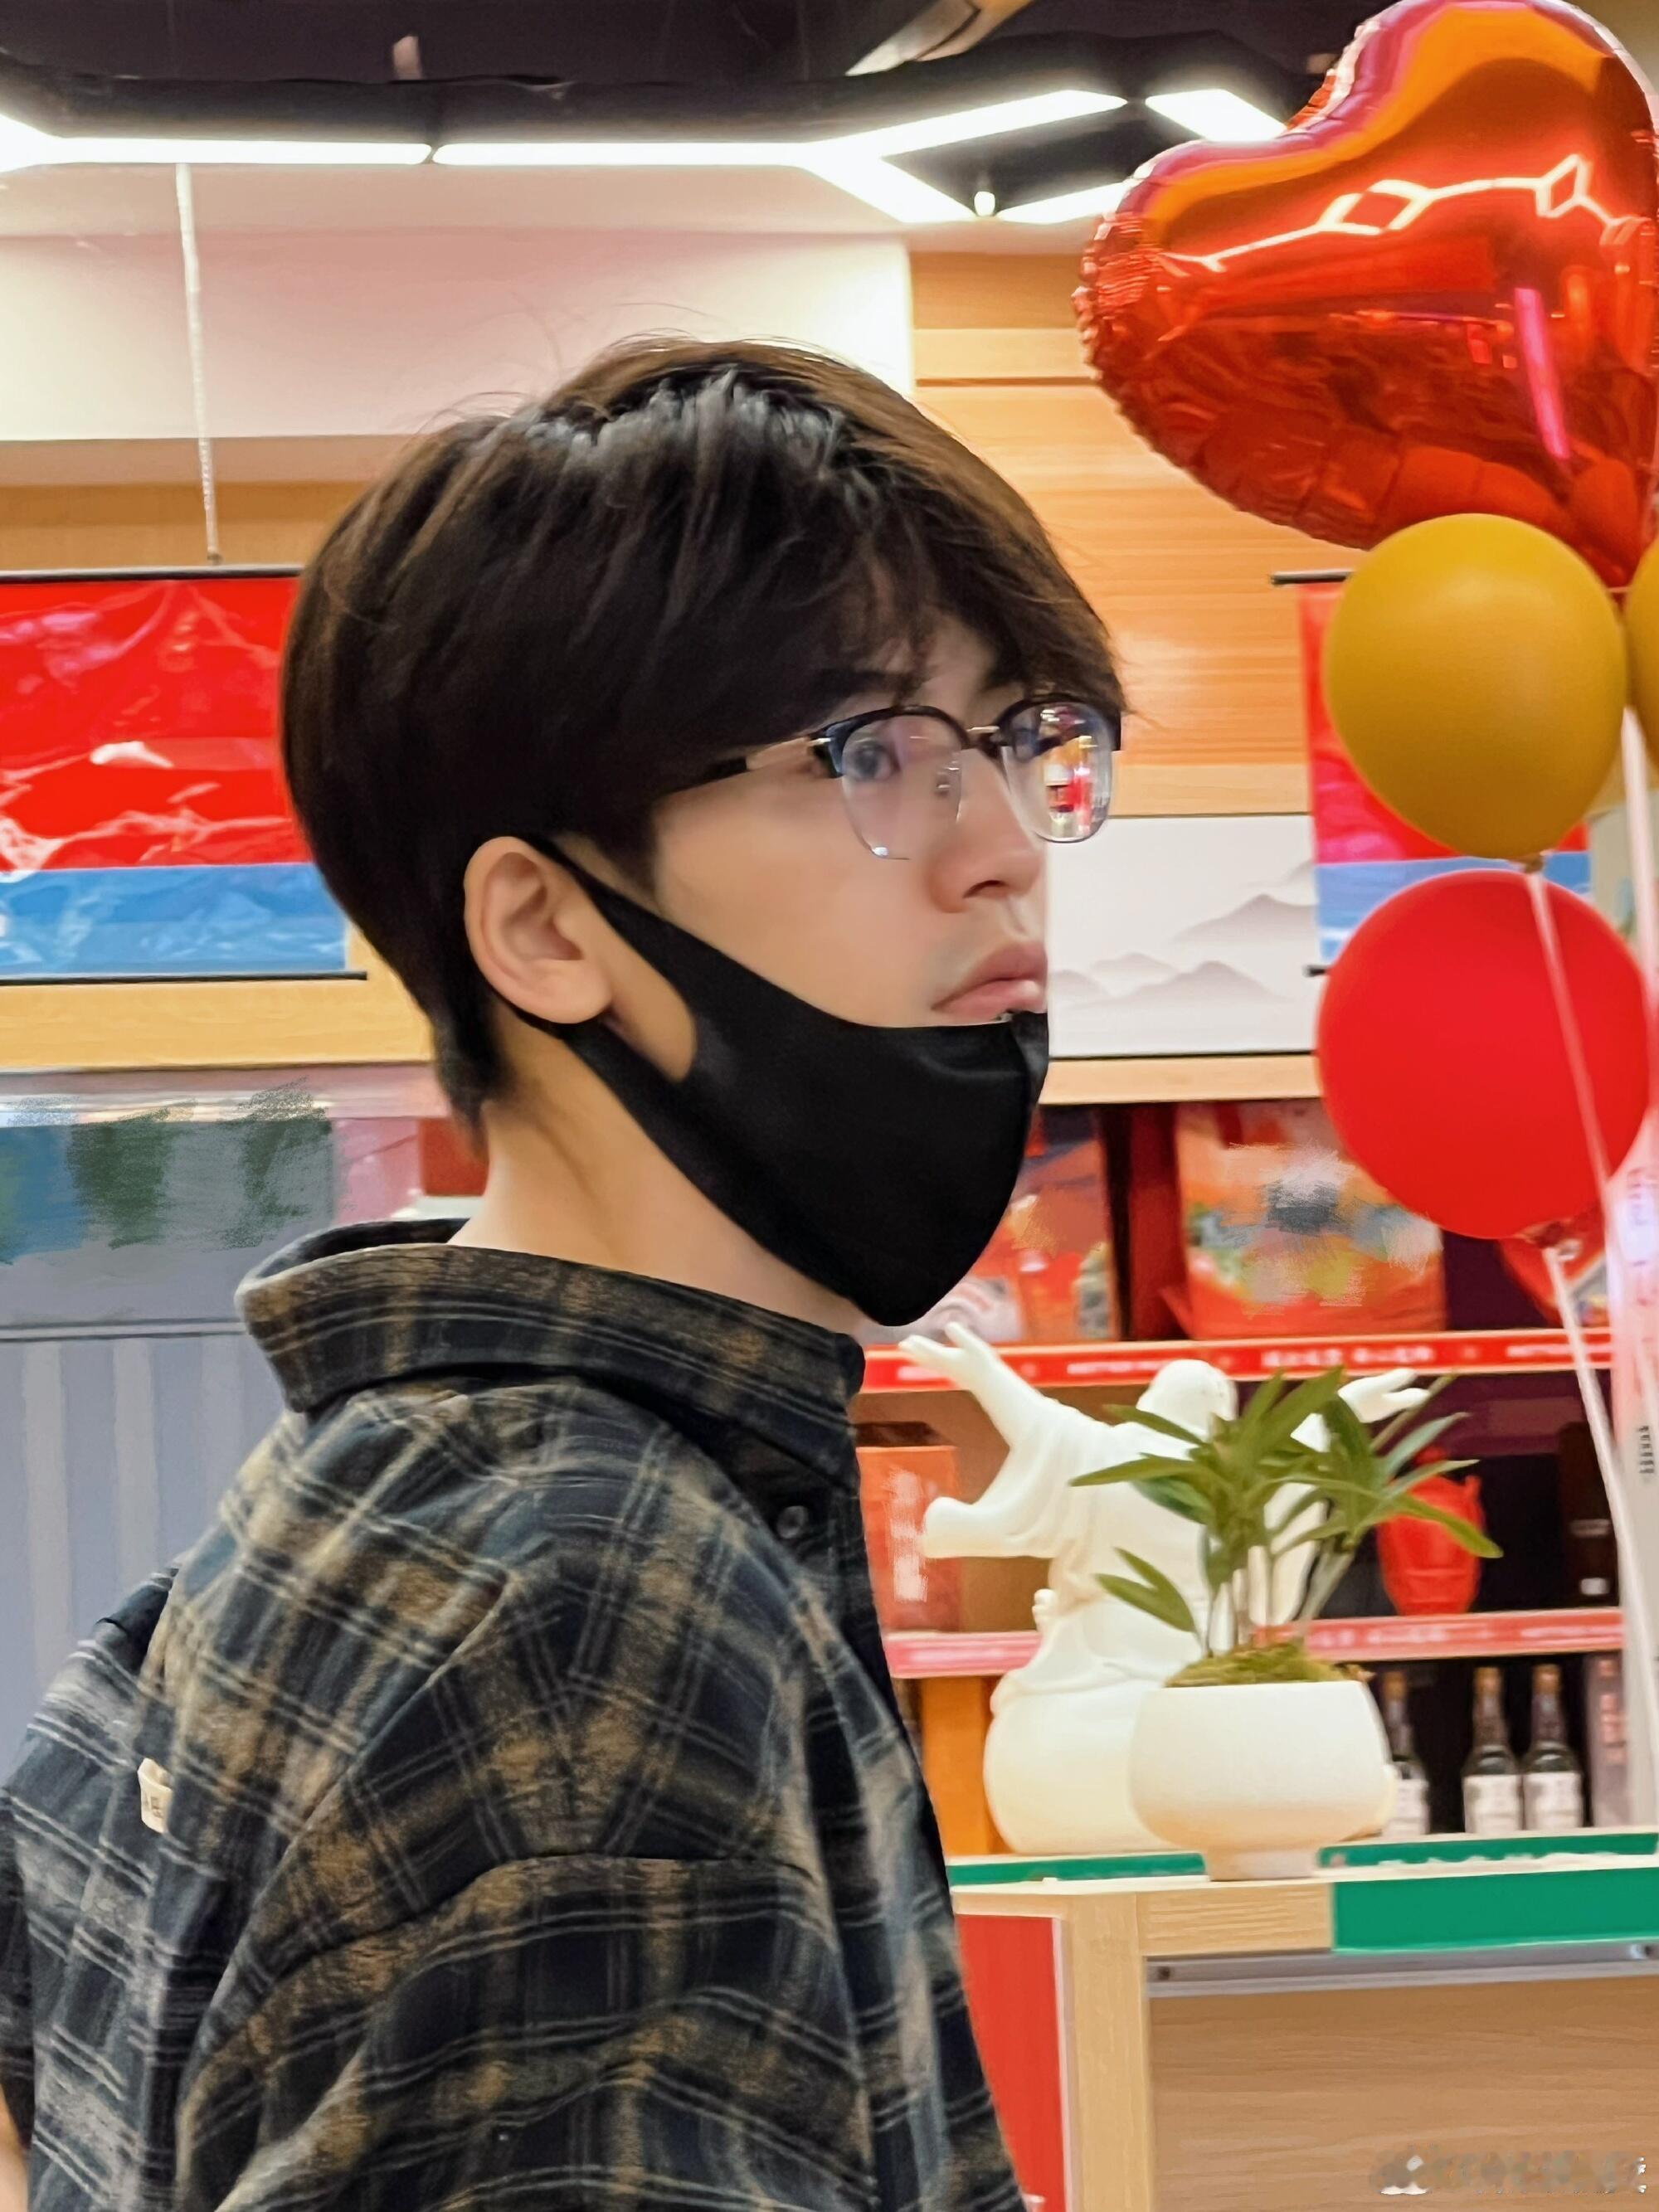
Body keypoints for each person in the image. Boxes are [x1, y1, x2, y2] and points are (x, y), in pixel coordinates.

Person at [0, 339, 1121, 2211]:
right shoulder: (595, 1614)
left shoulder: (324, 1509)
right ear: (543, 926)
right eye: (875, 753)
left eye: (1020, 739)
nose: (1005, 849)